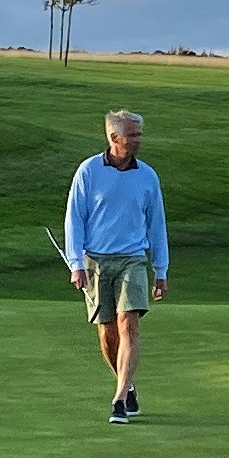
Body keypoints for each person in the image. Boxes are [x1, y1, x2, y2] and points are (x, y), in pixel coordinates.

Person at [62, 107, 169, 424]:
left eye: (139, 134)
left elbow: (157, 225)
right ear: (114, 137)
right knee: (107, 333)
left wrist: (160, 270)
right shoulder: (89, 171)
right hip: (95, 261)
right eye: (132, 135)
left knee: (128, 324)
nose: (138, 140)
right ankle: (128, 384)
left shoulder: (147, 176)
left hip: (133, 260)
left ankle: (119, 399)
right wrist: (75, 262)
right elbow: (74, 219)